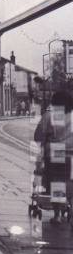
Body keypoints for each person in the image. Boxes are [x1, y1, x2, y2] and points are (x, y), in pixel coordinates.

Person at [33, 91, 73, 225]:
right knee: (70, 182)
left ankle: (57, 215)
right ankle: (70, 209)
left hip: (57, 151)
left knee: (58, 183)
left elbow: (38, 135)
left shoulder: (51, 116)